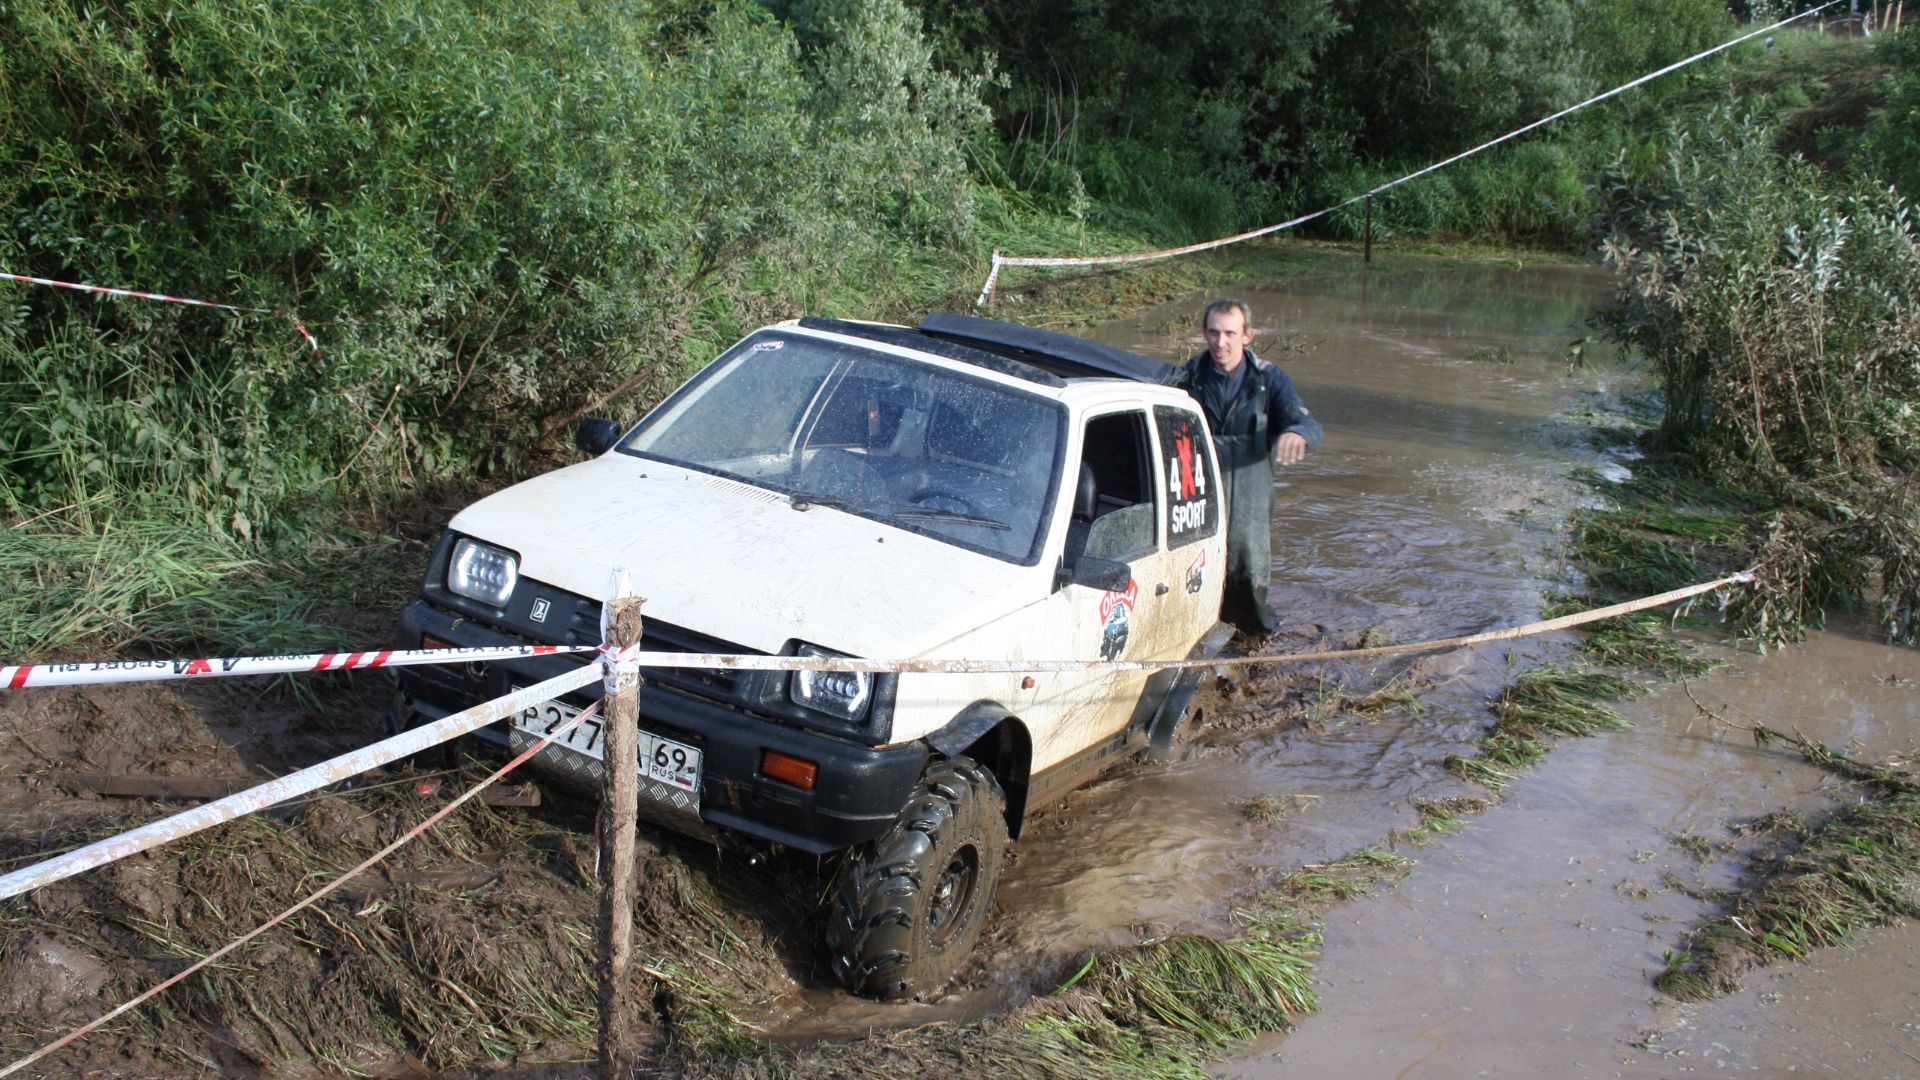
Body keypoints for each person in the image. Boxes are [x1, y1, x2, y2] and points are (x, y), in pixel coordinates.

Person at [1175, 298, 1322, 638]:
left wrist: (1296, 433)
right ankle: (1197, 640)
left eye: (1229, 333)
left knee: (1248, 575)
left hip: (1251, 504)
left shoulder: (1269, 381)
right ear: (1203, 333)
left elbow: (1308, 424)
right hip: (1199, 497)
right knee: (1197, 573)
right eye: (1213, 333)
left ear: (1248, 336)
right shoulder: (1187, 378)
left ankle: (1255, 640)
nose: (1220, 342)